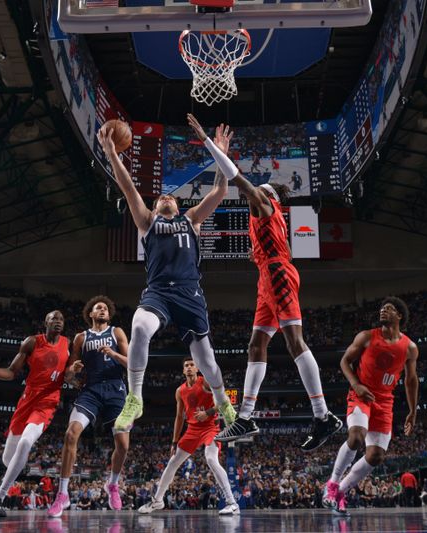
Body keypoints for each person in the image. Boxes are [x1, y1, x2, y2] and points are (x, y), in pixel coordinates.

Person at [201, 129, 342, 451]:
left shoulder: (266, 206)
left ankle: (322, 415)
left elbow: (239, 181)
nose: (252, 197)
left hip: (277, 274)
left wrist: (212, 145)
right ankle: (247, 417)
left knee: (294, 342)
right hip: (269, 275)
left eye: (259, 192)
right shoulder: (268, 218)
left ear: (268, 197)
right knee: (256, 344)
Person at [96, 115, 237, 433]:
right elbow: (127, 186)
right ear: (156, 207)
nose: (166, 197)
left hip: (189, 293)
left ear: (178, 205)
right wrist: (112, 154)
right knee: (140, 327)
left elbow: (219, 188)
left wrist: (220, 151)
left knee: (206, 362)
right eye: (161, 198)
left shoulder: (192, 219)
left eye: (170, 197)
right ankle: (135, 398)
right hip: (158, 291)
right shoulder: (147, 221)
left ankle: (223, 401)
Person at [323, 297, 419, 512]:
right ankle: (332, 483)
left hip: (384, 400)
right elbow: (344, 361)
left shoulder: (410, 347)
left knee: (376, 456)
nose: (383, 311)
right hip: (361, 394)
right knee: (356, 436)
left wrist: (413, 411)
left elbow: (411, 380)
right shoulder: (366, 336)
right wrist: (356, 384)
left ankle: (341, 492)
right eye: (382, 308)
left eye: (389, 309)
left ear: (399, 316)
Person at [0, 310, 71, 518]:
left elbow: (70, 374)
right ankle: (10, 473)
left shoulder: (67, 344)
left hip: (47, 404)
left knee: (26, 443)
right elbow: (11, 372)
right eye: (54, 318)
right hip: (26, 402)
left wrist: (74, 376)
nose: (58, 322)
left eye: (61, 319)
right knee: (8, 459)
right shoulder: (31, 342)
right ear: (45, 321)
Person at [48, 296, 130, 516]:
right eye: (98, 308)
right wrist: (73, 370)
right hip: (91, 390)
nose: (102, 310)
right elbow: (68, 375)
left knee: (122, 445)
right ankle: (62, 494)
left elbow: (133, 363)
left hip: (115, 390)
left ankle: (112, 484)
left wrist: (113, 354)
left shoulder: (117, 332)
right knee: (70, 434)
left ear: (108, 314)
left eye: (105, 308)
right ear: (91, 314)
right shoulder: (81, 338)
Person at [138, 358, 239, 515]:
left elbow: (223, 400)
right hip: (192, 430)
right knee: (172, 462)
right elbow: (179, 417)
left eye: (192, 365)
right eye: (186, 365)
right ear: (183, 370)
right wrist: (174, 441)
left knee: (211, 459)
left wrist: (208, 412)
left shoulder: (205, 382)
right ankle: (157, 501)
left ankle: (232, 503)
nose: (189, 367)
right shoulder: (180, 391)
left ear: (197, 368)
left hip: (210, 428)